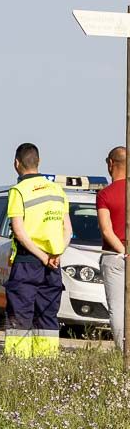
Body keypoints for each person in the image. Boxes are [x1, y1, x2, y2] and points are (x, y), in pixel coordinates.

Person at [2, 143, 71, 358]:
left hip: (28, 262)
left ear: (16, 163)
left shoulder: (18, 191)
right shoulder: (56, 189)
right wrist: (56, 254)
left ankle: (17, 362)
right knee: (47, 315)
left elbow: (19, 231)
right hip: (53, 264)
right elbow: (67, 230)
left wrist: (41, 256)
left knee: (20, 313)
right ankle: (46, 362)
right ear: (38, 162)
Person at [97, 146, 127, 351]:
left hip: (114, 256)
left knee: (117, 308)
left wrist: (123, 252)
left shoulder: (105, 195)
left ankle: (123, 352)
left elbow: (107, 230)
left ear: (111, 164)